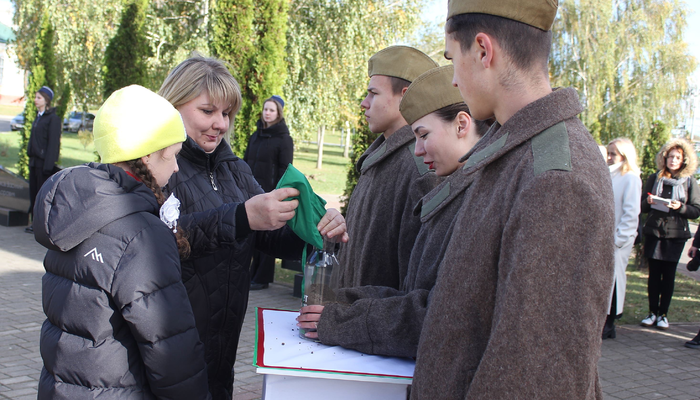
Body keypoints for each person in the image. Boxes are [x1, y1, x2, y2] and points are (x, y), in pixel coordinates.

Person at [410, 1, 615, 398]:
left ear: (483, 50)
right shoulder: (517, 155)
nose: (453, 80)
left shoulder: (555, 178)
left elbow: (536, 378)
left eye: (453, 59)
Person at [158, 56, 347, 400]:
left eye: (227, 114)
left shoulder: (235, 169)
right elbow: (164, 237)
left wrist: (319, 231)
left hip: (223, 345)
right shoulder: (157, 165)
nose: (219, 124)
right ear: (173, 105)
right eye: (207, 111)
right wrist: (242, 217)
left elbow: (268, 233)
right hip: (167, 344)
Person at [297, 65, 492, 357]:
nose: (417, 150)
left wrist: (342, 318)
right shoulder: (455, 189)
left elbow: (435, 316)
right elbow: (409, 290)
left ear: (462, 125)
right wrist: (340, 302)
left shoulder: (477, 200)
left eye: (424, 135)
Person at [34, 85, 210, 399]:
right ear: (146, 154)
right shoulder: (141, 235)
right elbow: (171, 351)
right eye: (172, 155)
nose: (176, 167)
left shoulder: (76, 211)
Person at [331, 45, 441, 291]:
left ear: (405, 96)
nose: (364, 103)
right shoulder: (381, 157)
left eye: (373, 93)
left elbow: (415, 288)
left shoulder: (421, 166)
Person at [640, 138, 700, 329]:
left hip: (676, 235)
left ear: (684, 160)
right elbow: (640, 206)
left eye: (677, 157)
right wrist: (648, 203)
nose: (673, 160)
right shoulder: (654, 178)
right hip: (654, 232)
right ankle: (651, 312)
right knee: (654, 275)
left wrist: (680, 207)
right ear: (664, 158)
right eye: (670, 157)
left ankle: (663, 314)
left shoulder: (689, 181)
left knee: (669, 276)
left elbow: (696, 210)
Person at [244, 95, 294, 290]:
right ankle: (251, 273)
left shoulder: (284, 139)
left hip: (270, 192)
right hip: (251, 190)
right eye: (265, 109)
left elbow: (285, 169)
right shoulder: (255, 136)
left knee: (267, 232)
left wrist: (278, 193)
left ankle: (262, 278)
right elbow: (246, 162)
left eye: (271, 110)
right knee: (252, 232)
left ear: (278, 113)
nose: (267, 113)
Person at [603, 138, 642, 339]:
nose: (609, 158)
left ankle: (610, 323)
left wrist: (618, 240)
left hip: (618, 241)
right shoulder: (608, 174)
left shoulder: (631, 178)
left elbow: (631, 213)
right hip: (605, 238)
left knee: (614, 281)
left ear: (624, 156)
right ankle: (603, 321)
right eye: (608, 153)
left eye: (613, 154)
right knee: (603, 281)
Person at [26, 86, 61, 234]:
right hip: (34, 162)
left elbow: (53, 144)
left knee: (42, 196)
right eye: (35, 97)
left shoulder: (53, 119)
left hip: (43, 164)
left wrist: (48, 165)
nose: (35, 100)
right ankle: (34, 222)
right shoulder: (38, 117)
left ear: (46, 100)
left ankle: (41, 225)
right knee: (33, 193)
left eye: (39, 97)